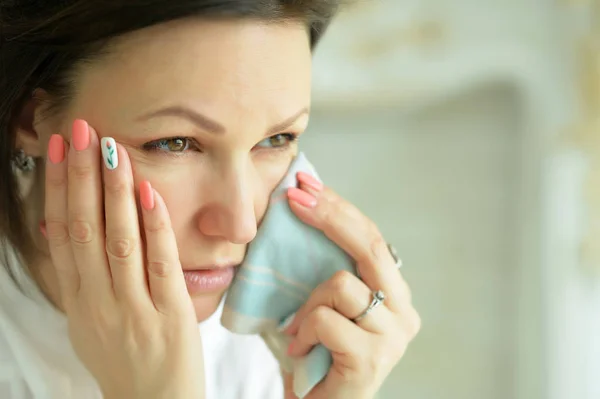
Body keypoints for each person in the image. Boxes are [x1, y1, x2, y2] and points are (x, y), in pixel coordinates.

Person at [0, 1, 421, 398]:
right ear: (30, 120)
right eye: (175, 142)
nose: (242, 225)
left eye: (277, 139)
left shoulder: (275, 348)